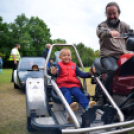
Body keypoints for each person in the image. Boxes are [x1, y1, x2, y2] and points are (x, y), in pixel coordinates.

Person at [96, 2, 133, 100]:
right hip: (108, 56)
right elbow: (100, 33)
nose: (112, 16)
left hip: (124, 55)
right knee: (112, 69)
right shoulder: (102, 26)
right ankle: (106, 98)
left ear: (119, 13)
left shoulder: (124, 25)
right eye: (109, 14)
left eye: (114, 13)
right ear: (106, 14)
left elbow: (131, 33)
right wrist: (109, 33)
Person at [51, 48, 96, 122]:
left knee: (79, 93)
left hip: (73, 86)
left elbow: (81, 74)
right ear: (60, 58)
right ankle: (68, 112)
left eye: (68, 55)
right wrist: (54, 73)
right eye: (64, 55)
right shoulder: (58, 65)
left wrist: (89, 73)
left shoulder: (74, 65)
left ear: (71, 57)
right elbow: (56, 73)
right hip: (63, 86)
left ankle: (88, 108)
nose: (66, 57)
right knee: (67, 94)